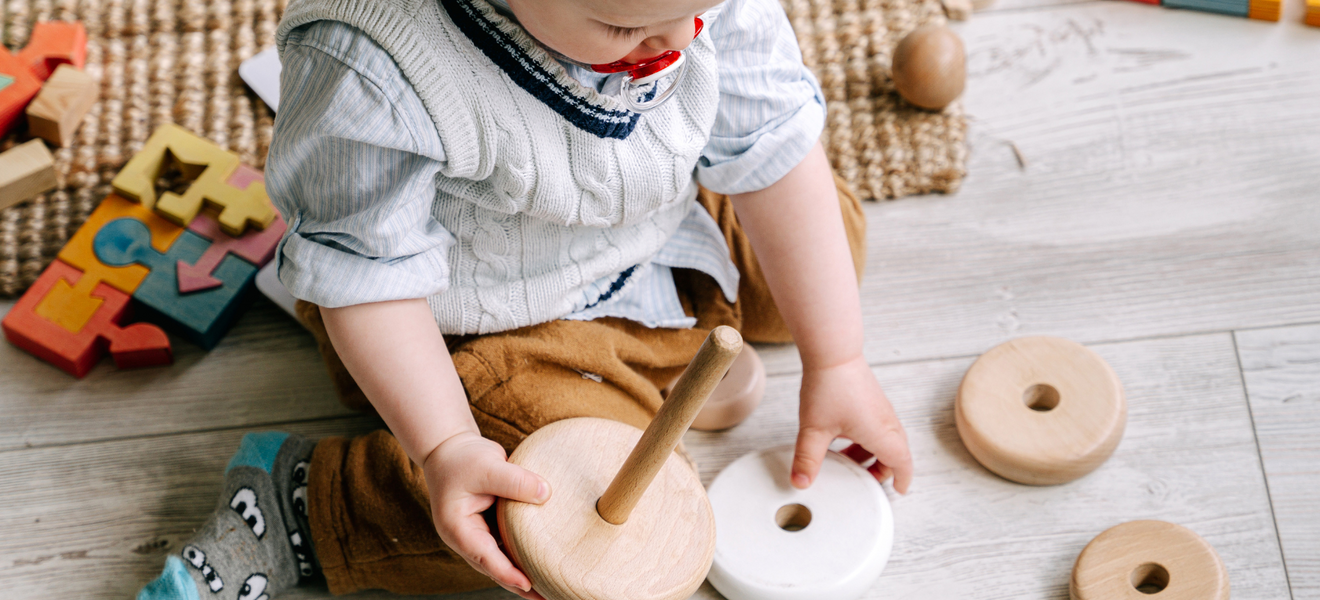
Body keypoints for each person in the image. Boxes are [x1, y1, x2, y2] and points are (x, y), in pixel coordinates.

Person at [137, 0, 913, 597]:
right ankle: (308, 503)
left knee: (829, 240)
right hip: (475, 320)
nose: (678, 41)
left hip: (654, 227)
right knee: (553, 511)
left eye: (700, 12)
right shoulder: (372, 62)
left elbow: (770, 140)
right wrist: (443, 447)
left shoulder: (682, 11)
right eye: (624, 26)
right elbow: (367, 279)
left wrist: (838, 357)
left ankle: (676, 337)